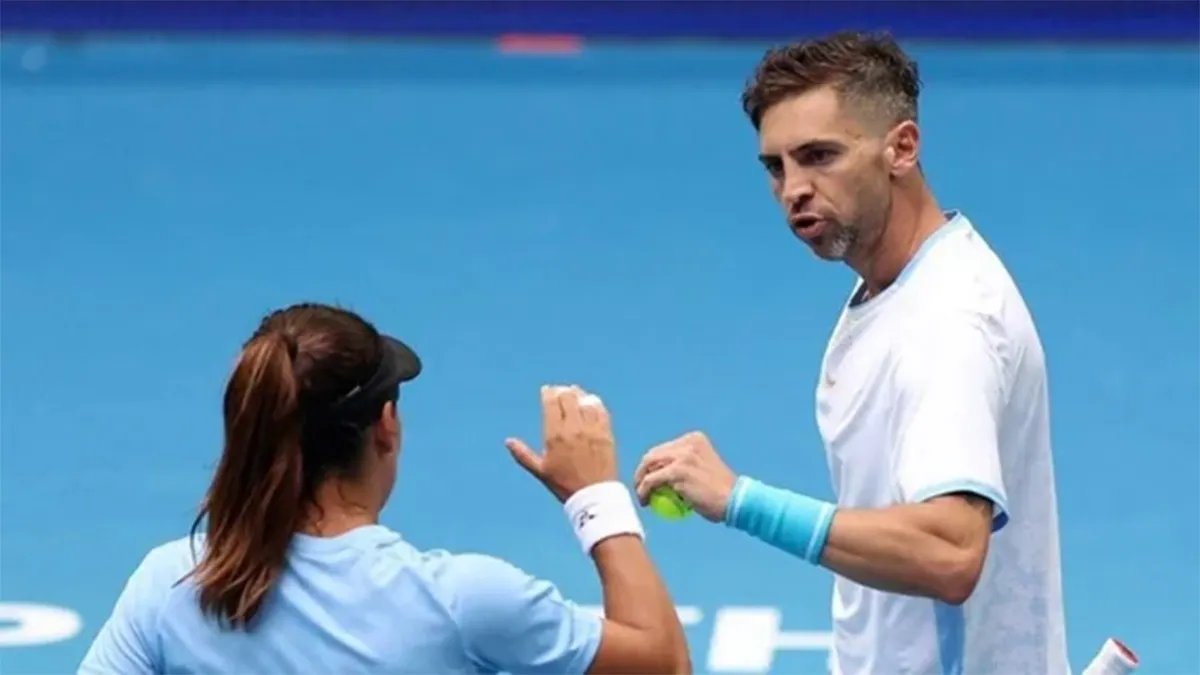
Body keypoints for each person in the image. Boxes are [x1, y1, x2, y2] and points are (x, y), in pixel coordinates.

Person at [632, 31, 1070, 674]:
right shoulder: (896, 287)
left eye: (819, 156)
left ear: (902, 147)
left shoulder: (947, 326)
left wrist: (739, 500)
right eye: (776, 167)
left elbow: (949, 553)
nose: (793, 189)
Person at [79, 302, 690, 674]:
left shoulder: (168, 585)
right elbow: (663, 666)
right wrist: (596, 498)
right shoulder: (461, 600)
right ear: (387, 427)